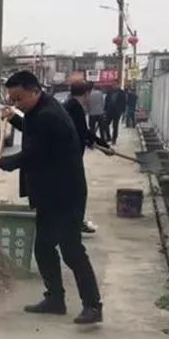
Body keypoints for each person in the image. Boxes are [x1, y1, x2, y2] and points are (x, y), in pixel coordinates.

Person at [0, 71, 103, 325]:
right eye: (12, 100)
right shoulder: (41, 109)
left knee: (71, 250)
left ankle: (93, 306)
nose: (16, 103)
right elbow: (33, 127)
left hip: (66, 194)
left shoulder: (49, 115)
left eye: (18, 99)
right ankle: (55, 299)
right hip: (49, 194)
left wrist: (3, 162)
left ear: (34, 91)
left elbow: (33, 153)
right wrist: (16, 118)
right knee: (43, 247)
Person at [64, 81, 110, 235]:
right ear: (86, 94)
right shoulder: (75, 108)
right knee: (79, 192)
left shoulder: (68, 105)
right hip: (70, 158)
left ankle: (72, 223)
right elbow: (83, 132)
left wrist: (91, 142)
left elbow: (80, 133)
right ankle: (75, 225)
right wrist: (102, 145)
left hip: (67, 156)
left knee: (70, 192)